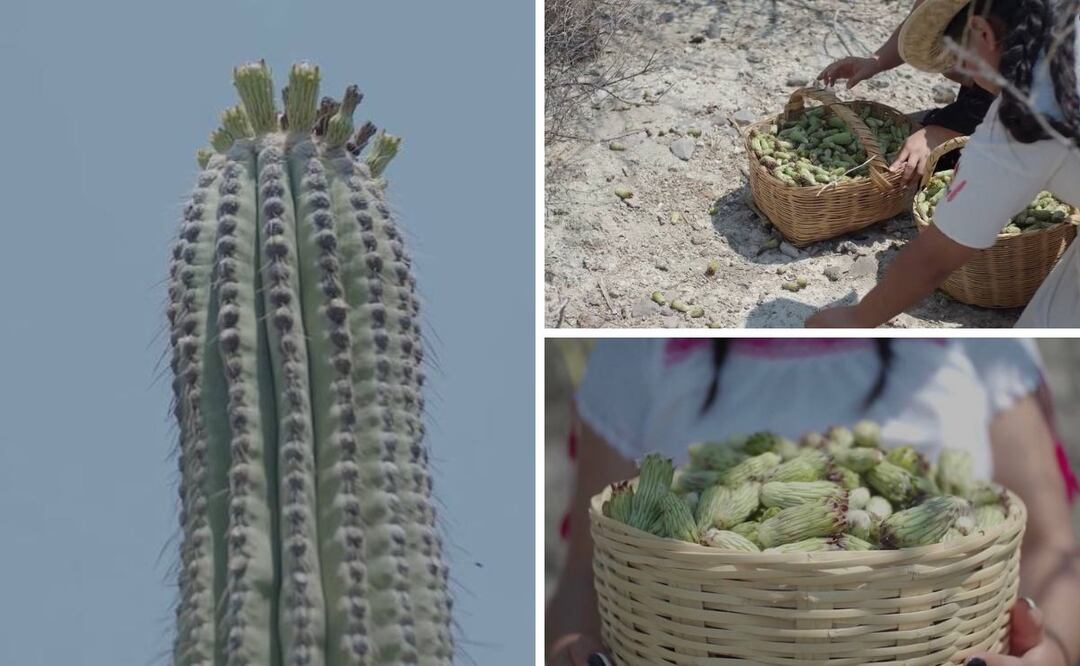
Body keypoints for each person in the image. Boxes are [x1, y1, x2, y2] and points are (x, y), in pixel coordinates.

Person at [545, 338, 1080, 666]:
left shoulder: (984, 344)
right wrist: (568, 650)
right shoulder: (636, 350)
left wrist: (1053, 652)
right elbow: (591, 570)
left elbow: (1046, 546)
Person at [807, 0, 1080, 328]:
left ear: (982, 32)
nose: (960, 75)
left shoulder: (1019, 124)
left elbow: (933, 258)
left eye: (958, 58)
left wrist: (857, 318)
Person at [819, 0, 996, 181]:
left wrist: (942, 130)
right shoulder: (987, 57)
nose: (948, 66)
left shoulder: (1017, 47)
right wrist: (875, 62)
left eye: (958, 57)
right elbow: (919, 26)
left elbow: (1009, 98)